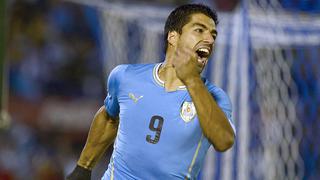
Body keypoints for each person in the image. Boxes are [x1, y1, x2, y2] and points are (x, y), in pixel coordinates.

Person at [67, 3, 236, 180]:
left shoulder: (215, 98)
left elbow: (224, 141)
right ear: (173, 37)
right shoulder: (125, 76)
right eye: (200, 30)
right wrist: (83, 167)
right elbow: (109, 118)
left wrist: (192, 80)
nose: (209, 39)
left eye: (213, 34)